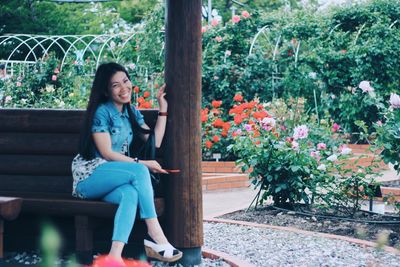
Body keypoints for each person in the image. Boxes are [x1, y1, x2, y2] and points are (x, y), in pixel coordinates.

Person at [71, 62, 182, 264]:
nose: (124, 88)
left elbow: (154, 141)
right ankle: (157, 235)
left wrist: (162, 109)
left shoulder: (131, 112)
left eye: (125, 81)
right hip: (89, 179)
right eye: (115, 85)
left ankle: (114, 257)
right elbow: (106, 153)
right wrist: (143, 163)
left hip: (112, 179)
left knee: (130, 194)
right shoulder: (102, 112)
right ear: (105, 90)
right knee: (139, 170)